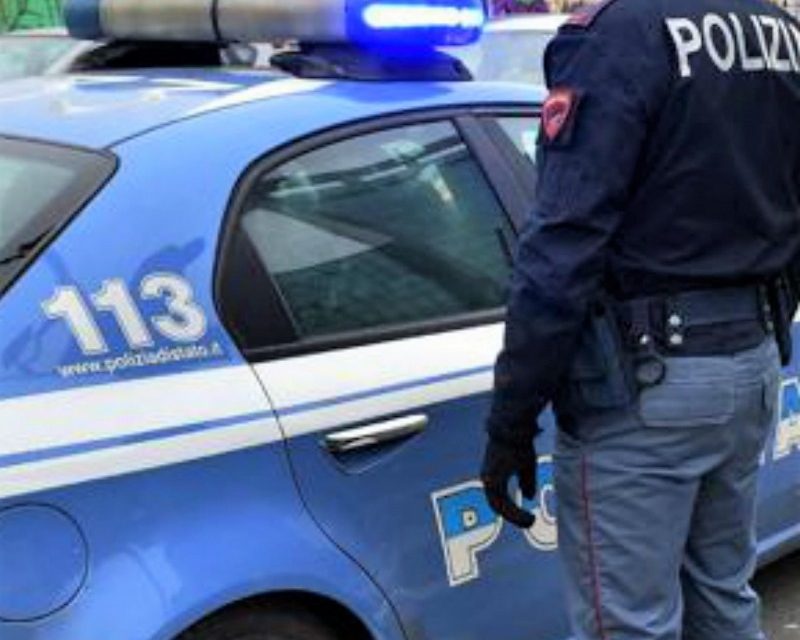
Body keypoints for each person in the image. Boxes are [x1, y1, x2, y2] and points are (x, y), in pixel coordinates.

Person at [480, 0, 800, 638]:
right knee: (723, 601)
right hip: (752, 358)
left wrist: (511, 417)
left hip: (648, 388)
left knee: (628, 627)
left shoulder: (616, 35)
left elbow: (563, 242)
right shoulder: (779, 32)